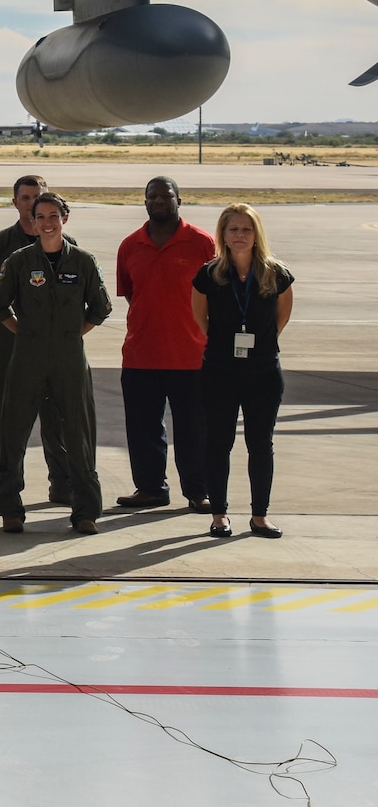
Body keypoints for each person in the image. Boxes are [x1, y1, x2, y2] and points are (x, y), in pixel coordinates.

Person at [0, 193, 112, 534]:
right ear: (33, 221)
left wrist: (71, 335)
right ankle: (10, 508)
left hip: (69, 359)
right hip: (27, 357)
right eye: (40, 216)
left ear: (64, 218)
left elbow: (100, 309)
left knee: (79, 435)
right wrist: (24, 333)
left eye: (54, 216)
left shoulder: (83, 262)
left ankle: (85, 512)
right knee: (13, 434)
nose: (47, 223)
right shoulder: (18, 262)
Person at [0, 174, 77, 505]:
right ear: (15, 202)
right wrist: (10, 325)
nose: (33, 204)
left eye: (39, 197)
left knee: (56, 416)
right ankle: (2, 485)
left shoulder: (68, 248)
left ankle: (62, 483)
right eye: (26, 198)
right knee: (3, 416)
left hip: (52, 347)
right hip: (7, 346)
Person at [192, 204, 295, 540]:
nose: (239, 235)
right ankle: (219, 514)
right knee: (218, 443)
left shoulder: (275, 273)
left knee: (260, 445)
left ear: (256, 235)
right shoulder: (209, 274)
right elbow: (201, 318)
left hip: (263, 372)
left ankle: (259, 515)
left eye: (246, 230)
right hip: (220, 371)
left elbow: (281, 316)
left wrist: (259, 345)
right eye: (232, 229)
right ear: (223, 234)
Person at [115, 176, 217, 511]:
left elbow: (217, 294)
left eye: (166, 195)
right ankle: (150, 489)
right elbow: (132, 293)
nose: (159, 200)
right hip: (141, 354)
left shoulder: (202, 243)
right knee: (144, 429)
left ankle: (198, 491)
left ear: (179, 200)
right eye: (152, 196)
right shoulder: (130, 245)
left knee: (193, 430)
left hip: (191, 356)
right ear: (144, 202)